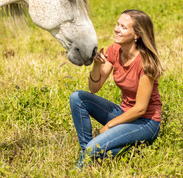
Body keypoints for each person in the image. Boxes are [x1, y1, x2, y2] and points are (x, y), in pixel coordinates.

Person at [69, 9, 163, 169]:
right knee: (77, 98)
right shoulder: (114, 50)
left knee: (94, 148)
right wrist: (97, 66)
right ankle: (86, 153)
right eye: (117, 24)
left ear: (136, 35)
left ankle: (89, 156)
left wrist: (110, 125)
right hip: (124, 112)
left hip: (146, 122)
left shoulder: (145, 63)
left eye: (124, 27)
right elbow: (94, 88)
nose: (117, 29)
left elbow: (140, 109)